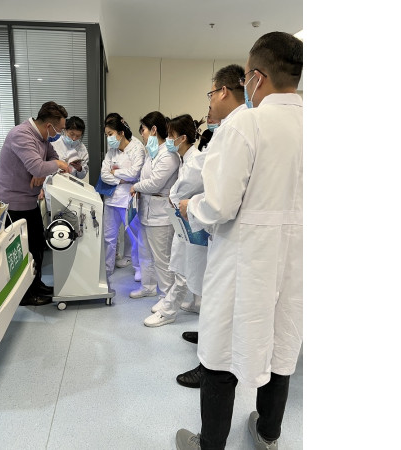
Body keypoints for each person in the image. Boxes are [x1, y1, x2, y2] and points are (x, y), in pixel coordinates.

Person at [175, 31, 303, 450]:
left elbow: (220, 204)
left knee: (222, 350)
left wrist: (191, 207)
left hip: (245, 261)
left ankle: (209, 444)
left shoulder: (247, 122)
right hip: (295, 261)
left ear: (255, 77)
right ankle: (268, 434)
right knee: (282, 344)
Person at [174, 64, 248, 388]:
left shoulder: (234, 130)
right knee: (214, 298)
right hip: (228, 232)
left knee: (221, 303)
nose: (210, 101)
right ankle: (209, 349)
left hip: (230, 232)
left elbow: (219, 200)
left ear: (223, 91)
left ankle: (211, 368)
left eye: (211, 94)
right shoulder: (236, 127)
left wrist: (190, 206)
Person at [0, 101, 70, 306]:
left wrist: (44, 170)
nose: (60, 134)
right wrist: (48, 167)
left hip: (29, 201)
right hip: (13, 204)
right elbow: (40, 166)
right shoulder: (21, 135)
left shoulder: (43, 139)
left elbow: (51, 158)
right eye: (60, 129)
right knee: (20, 252)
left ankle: (36, 285)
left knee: (36, 246)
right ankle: (25, 295)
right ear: (49, 126)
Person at [143, 114, 206, 327]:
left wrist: (172, 197)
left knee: (183, 268)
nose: (168, 140)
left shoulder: (195, 161)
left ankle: (168, 311)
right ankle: (196, 302)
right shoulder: (185, 159)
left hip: (193, 220)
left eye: (171, 136)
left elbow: (180, 192)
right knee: (188, 264)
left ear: (183, 138)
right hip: (186, 218)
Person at [129, 111, 180, 303]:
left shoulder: (169, 155)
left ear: (153, 130)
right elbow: (146, 179)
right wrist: (140, 188)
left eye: (143, 130)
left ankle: (167, 298)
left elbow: (155, 183)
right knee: (145, 254)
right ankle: (148, 287)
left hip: (161, 216)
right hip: (146, 212)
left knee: (162, 259)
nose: (141, 134)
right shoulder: (152, 154)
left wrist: (136, 187)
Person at [100, 113, 146, 279]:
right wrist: (121, 179)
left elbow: (135, 173)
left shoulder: (137, 147)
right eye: (107, 135)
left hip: (128, 199)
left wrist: (115, 173)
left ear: (121, 133)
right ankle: (107, 267)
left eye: (110, 134)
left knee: (134, 236)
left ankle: (138, 268)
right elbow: (104, 174)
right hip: (111, 198)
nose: (109, 138)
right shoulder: (111, 151)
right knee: (109, 236)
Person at [51, 116, 90, 180]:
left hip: (73, 183)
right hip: (56, 181)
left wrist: (79, 168)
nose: (74, 138)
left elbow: (82, 176)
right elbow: (48, 168)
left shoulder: (82, 149)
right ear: (65, 130)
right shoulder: (54, 145)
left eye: (78, 136)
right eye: (72, 134)